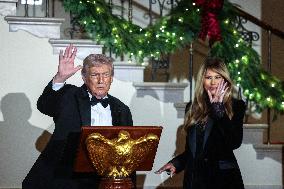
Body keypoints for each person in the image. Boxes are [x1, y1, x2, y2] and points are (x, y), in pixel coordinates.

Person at [22, 44, 134, 189]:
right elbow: (44, 106)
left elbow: (129, 152)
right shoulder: (70, 95)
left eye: (105, 75)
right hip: (66, 177)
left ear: (111, 78)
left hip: (103, 179)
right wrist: (60, 78)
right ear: (84, 78)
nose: (101, 80)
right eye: (94, 75)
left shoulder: (122, 109)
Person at [155, 57, 246, 189]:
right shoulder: (192, 107)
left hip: (223, 180)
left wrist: (219, 110)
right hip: (194, 181)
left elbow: (234, 142)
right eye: (208, 77)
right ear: (202, 80)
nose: (213, 82)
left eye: (218, 77)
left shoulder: (236, 105)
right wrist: (176, 164)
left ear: (225, 80)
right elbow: (193, 151)